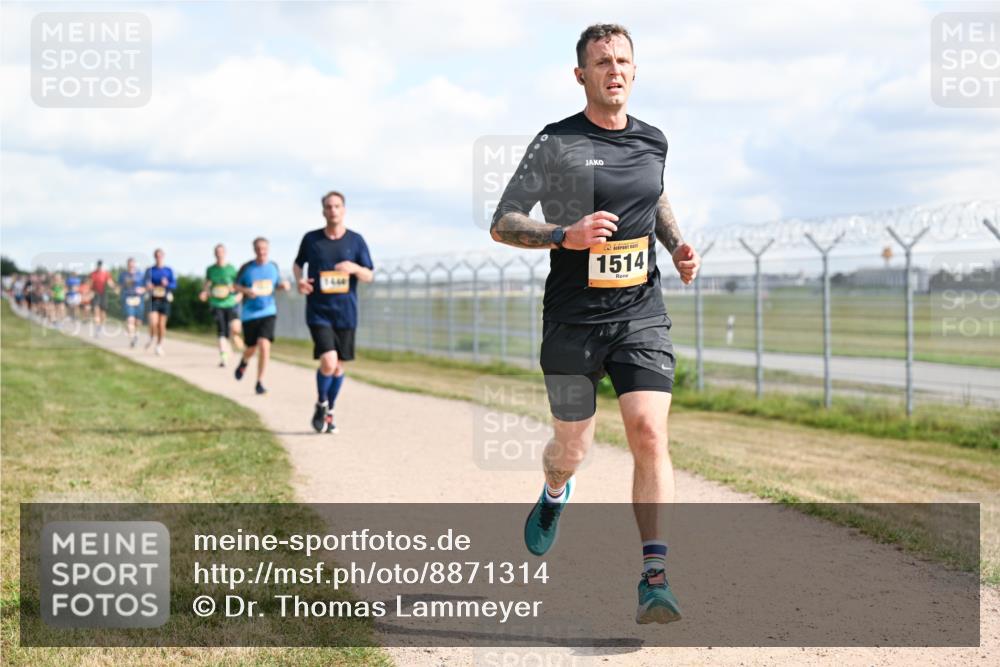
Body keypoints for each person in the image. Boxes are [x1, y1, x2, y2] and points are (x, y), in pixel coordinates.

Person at [489, 24, 701, 625]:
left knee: (649, 434)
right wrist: (565, 235)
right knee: (571, 448)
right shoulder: (555, 142)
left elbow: (654, 199)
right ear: (580, 74)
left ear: (635, 71)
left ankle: (654, 576)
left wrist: (679, 245)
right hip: (572, 322)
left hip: (640, 314)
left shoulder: (654, 140)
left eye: (624, 60)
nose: (615, 69)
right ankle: (555, 492)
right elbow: (503, 222)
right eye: (602, 61)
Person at [293, 191, 374, 434]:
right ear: (323, 211)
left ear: (344, 210)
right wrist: (299, 281)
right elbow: (298, 264)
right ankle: (322, 401)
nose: (333, 210)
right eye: (328, 207)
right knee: (328, 360)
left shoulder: (356, 241)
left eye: (337, 206)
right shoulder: (312, 239)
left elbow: (369, 275)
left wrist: (355, 268)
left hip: (346, 313)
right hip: (319, 310)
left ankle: (328, 410)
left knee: (338, 367)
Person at [233, 237, 290, 394]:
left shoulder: (273, 267)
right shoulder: (247, 268)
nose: (261, 251)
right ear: (254, 250)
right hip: (250, 314)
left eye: (264, 248)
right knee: (251, 347)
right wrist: (246, 291)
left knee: (264, 344)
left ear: (268, 249)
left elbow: (276, 285)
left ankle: (260, 381)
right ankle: (244, 361)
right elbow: (235, 286)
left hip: (268, 311)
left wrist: (283, 286)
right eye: (258, 248)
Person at [199, 243, 244, 367]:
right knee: (221, 331)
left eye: (221, 252)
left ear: (225, 253)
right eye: (217, 252)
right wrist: (204, 293)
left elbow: (238, 285)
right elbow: (207, 284)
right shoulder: (211, 269)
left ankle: (234, 338)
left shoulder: (231, 269)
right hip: (216, 303)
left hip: (231, 303)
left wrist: (239, 294)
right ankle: (224, 357)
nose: (219, 254)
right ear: (215, 254)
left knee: (235, 328)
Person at [144, 248, 176, 356]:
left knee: (162, 325)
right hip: (153, 299)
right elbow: (145, 283)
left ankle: (159, 345)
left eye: (160, 255)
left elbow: (174, 285)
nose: (159, 257)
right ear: (154, 257)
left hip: (165, 299)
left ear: (163, 256)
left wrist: (167, 284)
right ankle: (152, 336)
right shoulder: (150, 270)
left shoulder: (168, 270)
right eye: (157, 256)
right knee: (153, 322)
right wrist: (148, 286)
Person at [118, 257, 146, 347]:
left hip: (138, 299)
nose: (131, 266)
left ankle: (136, 333)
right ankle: (132, 338)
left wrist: (143, 289)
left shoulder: (141, 274)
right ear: (127, 265)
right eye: (129, 264)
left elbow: (146, 286)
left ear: (135, 265)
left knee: (138, 321)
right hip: (128, 298)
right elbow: (119, 286)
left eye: (132, 264)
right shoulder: (123, 275)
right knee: (130, 319)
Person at [88, 260, 115, 337]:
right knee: (96, 310)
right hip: (95, 293)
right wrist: (89, 292)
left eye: (101, 265)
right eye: (98, 265)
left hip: (103, 294)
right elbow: (90, 283)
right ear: (97, 266)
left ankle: (100, 326)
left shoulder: (106, 273)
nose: (99, 267)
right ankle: (97, 328)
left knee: (103, 313)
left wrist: (114, 287)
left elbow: (110, 282)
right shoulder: (93, 274)